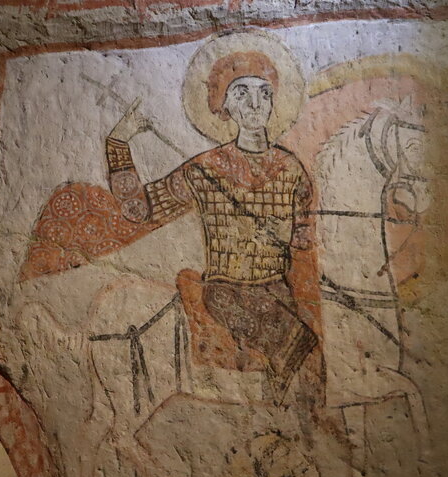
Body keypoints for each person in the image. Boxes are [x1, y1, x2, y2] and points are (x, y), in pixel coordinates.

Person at [105, 50, 318, 404]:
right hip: (228, 292)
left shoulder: (292, 169)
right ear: (226, 108)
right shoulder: (206, 169)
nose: (254, 104)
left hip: (279, 292)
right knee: (302, 350)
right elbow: (138, 210)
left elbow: (303, 236)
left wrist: (288, 234)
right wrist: (119, 145)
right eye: (241, 94)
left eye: (264, 94)